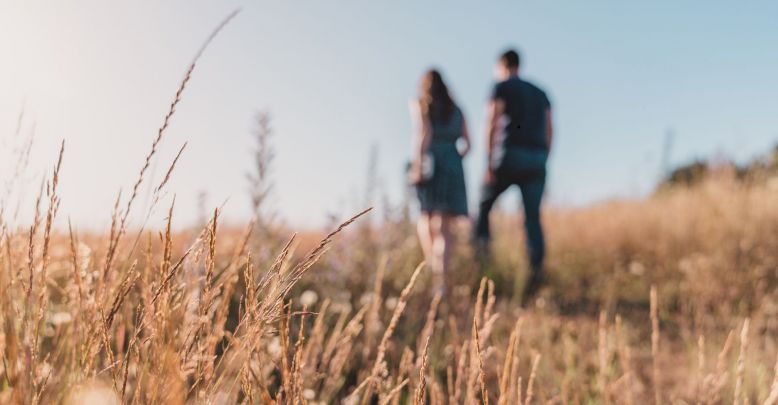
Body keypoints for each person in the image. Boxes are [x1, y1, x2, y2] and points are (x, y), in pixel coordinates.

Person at [474, 49, 553, 301]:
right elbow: (550, 128)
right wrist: (544, 159)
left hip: (510, 154)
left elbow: (492, 121)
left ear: (502, 65)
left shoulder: (501, 86)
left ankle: (483, 263)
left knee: (484, 206)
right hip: (537, 158)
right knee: (532, 217)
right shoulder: (541, 93)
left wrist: (488, 162)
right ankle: (536, 273)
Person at [410, 69, 471, 295]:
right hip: (453, 164)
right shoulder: (457, 109)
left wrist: (418, 166)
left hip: (431, 162)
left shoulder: (421, 104)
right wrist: (453, 160)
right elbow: (468, 143)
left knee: (426, 217)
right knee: (444, 227)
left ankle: (434, 271)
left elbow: (422, 134)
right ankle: (442, 280)